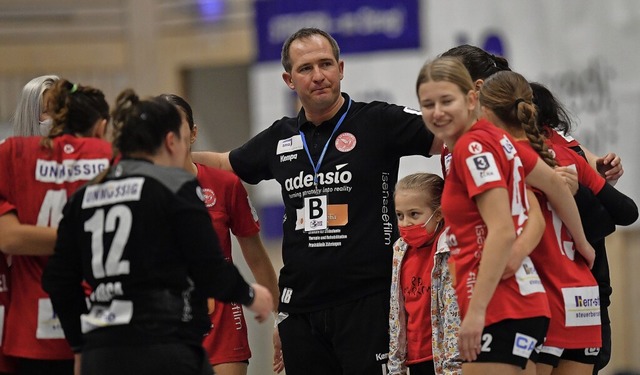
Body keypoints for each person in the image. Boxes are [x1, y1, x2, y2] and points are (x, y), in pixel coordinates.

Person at [192, 27, 441, 375]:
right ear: (289, 79)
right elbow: (225, 161)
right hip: (301, 309)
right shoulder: (280, 137)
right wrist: (164, 158)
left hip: (368, 302)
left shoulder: (378, 121)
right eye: (306, 68)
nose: (319, 76)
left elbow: (449, 137)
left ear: (341, 68)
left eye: (326, 64)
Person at [41, 89, 273, 375]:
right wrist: (249, 295)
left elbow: (57, 281)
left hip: (102, 350)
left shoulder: (84, 195)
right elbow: (207, 265)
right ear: (171, 140)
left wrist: (79, 345)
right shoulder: (173, 185)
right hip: (163, 343)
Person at [416, 56, 595, 374]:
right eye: (428, 104)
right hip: (520, 302)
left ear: (472, 98)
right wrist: (582, 242)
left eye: (447, 101)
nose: (437, 112)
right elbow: (554, 183)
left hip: (501, 304)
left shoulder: (473, 148)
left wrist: (476, 314)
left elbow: (501, 230)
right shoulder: (496, 138)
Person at [159, 93, 279, 375]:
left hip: (222, 320)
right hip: (164, 320)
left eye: (176, 126)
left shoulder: (224, 184)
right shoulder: (137, 189)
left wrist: (280, 317)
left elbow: (257, 259)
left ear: (193, 133)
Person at [0, 79, 112, 375]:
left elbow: (11, 238)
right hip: (98, 325)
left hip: (32, 332)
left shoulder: (11, 153)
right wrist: (96, 237)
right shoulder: (108, 156)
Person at [530, 81, 638, 374]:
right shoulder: (553, 153)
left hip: (558, 291)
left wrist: (580, 191)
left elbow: (624, 213)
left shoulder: (559, 153)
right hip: (572, 288)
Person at [387, 172, 451, 375]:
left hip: (444, 358)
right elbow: (397, 310)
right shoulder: (399, 250)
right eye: (400, 215)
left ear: (438, 213)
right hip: (414, 359)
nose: (405, 223)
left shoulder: (450, 248)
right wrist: (396, 364)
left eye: (414, 214)